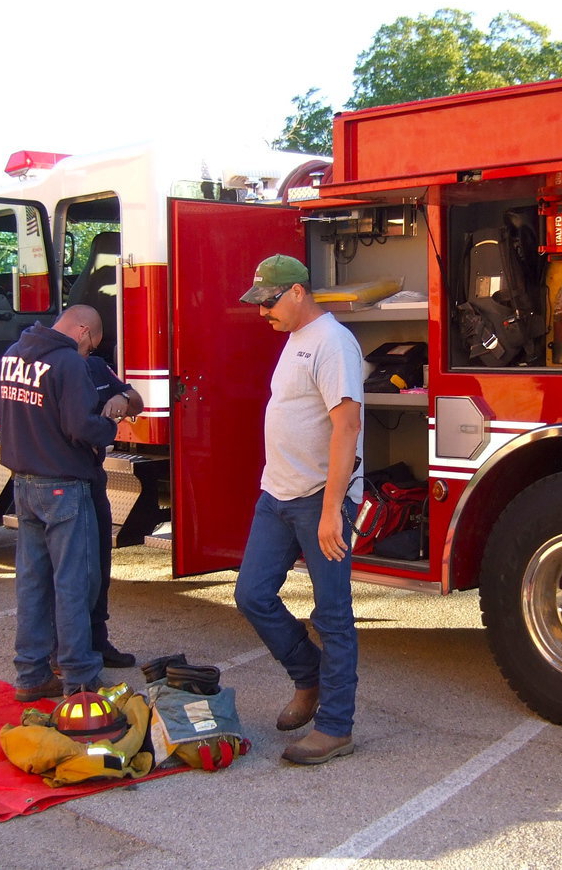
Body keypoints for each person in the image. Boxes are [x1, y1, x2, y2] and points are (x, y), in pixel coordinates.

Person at [234, 254, 364, 764]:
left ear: (295, 293)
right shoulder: (294, 341)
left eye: (268, 301)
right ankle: (308, 678)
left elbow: (346, 428)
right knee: (252, 595)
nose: (262, 311)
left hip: (317, 500)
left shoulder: (333, 343)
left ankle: (336, 728)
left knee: (332, 615)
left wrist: (333, 509)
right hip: (278, 494)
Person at [0, 304, 117, 701]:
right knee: (74, 582)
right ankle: (80, 676)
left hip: (24, 483)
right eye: (90, 346)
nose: (88, 353)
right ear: (83, 331)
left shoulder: (13, 354)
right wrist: (110, 426)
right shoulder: (67, 363)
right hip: (64, 485)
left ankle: (31, 675)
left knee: (32, 583)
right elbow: (81, 426)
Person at [85, 354, 143, 669]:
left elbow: (137, 401)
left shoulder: (95, 366)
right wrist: (105, 427)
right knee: (73, 573)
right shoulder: (57, 366)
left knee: (99, 563)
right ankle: (67, 654)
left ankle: (97, 641)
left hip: (93, 478)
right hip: (67, 482)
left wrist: (121, 397)